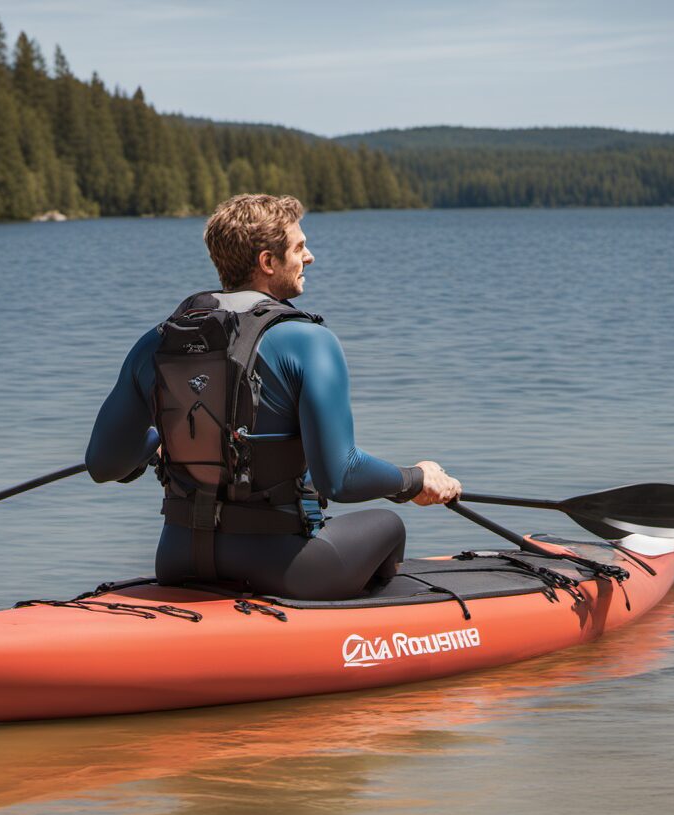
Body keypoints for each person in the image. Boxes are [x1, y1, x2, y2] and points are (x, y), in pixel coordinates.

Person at [86, 194, 461, 600]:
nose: (310, 257)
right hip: (288, 569)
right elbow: (341, 475)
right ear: (268, 262)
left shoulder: (155, 343)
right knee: (388, 525)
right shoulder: (309, 342)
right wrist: (415, 479)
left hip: (179, 560)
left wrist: (164, 438)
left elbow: (104, 465)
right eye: (299, 248)